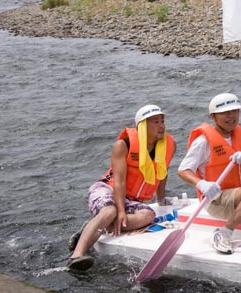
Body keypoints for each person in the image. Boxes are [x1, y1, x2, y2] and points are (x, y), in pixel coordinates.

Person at [67, 104, 176, 272]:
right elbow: (119, 182)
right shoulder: (123, 145)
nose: (162, 126)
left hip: (131, 199)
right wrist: (121, 211)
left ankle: (93, 227)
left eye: (162, 121)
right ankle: (77, 255)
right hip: (107, 189)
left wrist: (161, 201)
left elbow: (162, 174)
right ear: (142, 126)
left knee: (148, 215)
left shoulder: (169, 145)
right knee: (110, 212)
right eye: (155, 122)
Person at [177, 93, 241, 254]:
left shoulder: (240, 134)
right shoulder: (203, 141)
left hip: (236, 189)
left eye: (235, 111)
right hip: (215, 197)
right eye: (226, 113)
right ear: (213, 117)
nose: (231, 116)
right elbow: (183, 170)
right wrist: (202, 184)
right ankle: (225, 232)